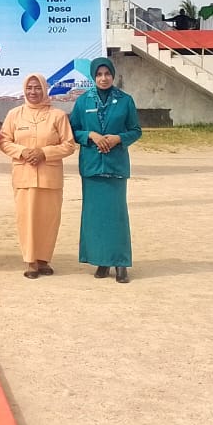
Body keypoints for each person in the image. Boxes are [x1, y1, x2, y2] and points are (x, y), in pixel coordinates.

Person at [68, 57, 142, 284]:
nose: (103, 78)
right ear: (93, 77)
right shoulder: (83, 102)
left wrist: (119, 138)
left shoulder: (125, 101)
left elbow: (136, 130)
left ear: (113, 75)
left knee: (116, 217)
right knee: (95, 218)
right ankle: (101, 261)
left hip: (115, 166)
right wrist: (90, 135)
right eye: (99, 75)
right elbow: (72, 130)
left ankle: (120, 263)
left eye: (107, 74)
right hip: (91, 167)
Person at [0, 73, 77, 279]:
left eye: (37, 88)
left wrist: (44, 153)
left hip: (50, 176)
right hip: (24, 175)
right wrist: (22, 151)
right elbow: (4, 141)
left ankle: (44, 260)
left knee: (48, 219)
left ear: (44, 89)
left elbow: (69, 145)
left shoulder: (58, 115)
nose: (33, 92)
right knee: (27, 219)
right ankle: (30, 261)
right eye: (29, 88)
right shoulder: (14, 114)